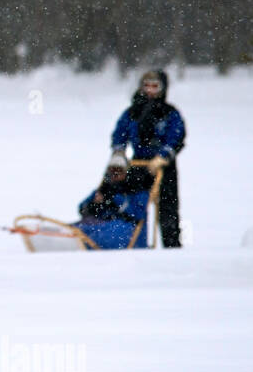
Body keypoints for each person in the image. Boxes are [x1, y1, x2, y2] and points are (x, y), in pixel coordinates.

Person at [109, 69, 186, 247]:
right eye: (147, 86)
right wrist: (119, 152)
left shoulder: (169, 113)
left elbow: (177, 136)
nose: (150, 90)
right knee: (131, 201)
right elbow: (120, 133)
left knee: (168, 209)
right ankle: (129, 240)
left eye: (155, 86)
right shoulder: (132, 112)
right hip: (138, 163)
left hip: (163, 166)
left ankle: (172, 246)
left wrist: (163, 156)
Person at [76, 152, 156, 249]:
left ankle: (77, 241)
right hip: (103, 224)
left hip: (125, 230)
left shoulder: (137, 190)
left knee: (91, 232)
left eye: (119, 170)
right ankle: (70, 237)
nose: (115, 174)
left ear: (126, 172)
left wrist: (116, 199)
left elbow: (138, 214)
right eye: (112, 170)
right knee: (82, 227)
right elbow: (82, 208)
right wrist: (94, 204)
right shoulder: (105, 188)